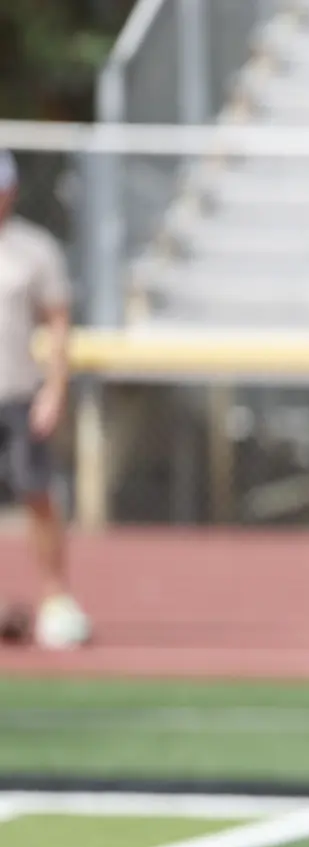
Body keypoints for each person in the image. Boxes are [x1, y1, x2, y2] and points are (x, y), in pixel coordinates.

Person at [0, 149, 88, 648]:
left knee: (37, 495)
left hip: (15, 392)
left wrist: (55, 390)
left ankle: (55, 596)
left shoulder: (33, 249)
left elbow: (58, 322)